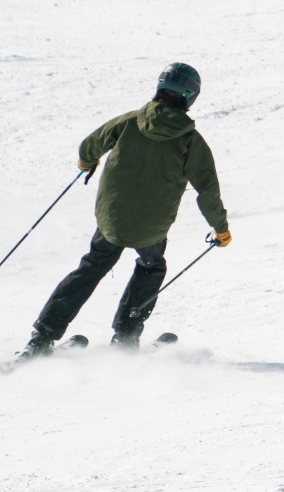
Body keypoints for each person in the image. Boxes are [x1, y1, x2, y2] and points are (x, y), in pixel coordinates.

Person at [17, 63, 230, 360]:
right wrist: (221, 229)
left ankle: (42, 338)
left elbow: (89, 146)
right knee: (151, 266)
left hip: (111, 222)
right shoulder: (190, 141)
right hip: (152, 229)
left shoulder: (130, 121)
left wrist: (86, 162)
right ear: (190, 97)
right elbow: (208, 191)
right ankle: (126, 337)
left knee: (92, 266)